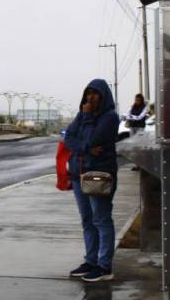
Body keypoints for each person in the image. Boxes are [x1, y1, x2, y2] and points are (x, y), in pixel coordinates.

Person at [65, 79, 119, 282]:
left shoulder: (110, 117)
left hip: (98, 174)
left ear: (103, 96)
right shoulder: (84, 114)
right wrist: (85, 147)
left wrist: (85, 118)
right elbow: (68, 137)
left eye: (95, 93)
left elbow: (93, 140)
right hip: (79, 174)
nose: (90, 97)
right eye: (88, 93)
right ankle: (91, 261)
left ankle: (104, 266)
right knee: (87, 220)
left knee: (101, 219)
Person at [124, 93, 148, 170]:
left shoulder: (144, 107)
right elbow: (127, 115)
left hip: (140, 127)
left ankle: (141, 165)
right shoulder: (132, 107)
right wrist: (132, 117)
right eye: (136, 100)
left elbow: (140, 117)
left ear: (141, 100)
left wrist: (132, 117)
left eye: (138, 100)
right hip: (132, 127)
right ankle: (136, 165)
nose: (137, 101)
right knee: (134, 146)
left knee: (140, 146)